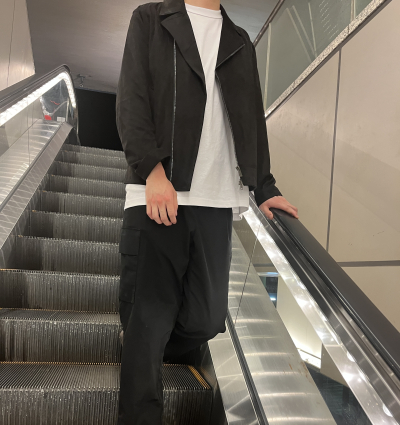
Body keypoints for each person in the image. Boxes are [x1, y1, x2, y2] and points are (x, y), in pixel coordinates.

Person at [115, 0, 299, 423]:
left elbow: (252, 119)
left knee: (208, 318)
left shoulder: (239, 41)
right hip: (160, 194)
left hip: (217, 201)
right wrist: (152, 172)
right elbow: (132, 99)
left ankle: (150, 347)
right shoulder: (151, 19)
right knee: (148, 321)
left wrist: (264, 186)